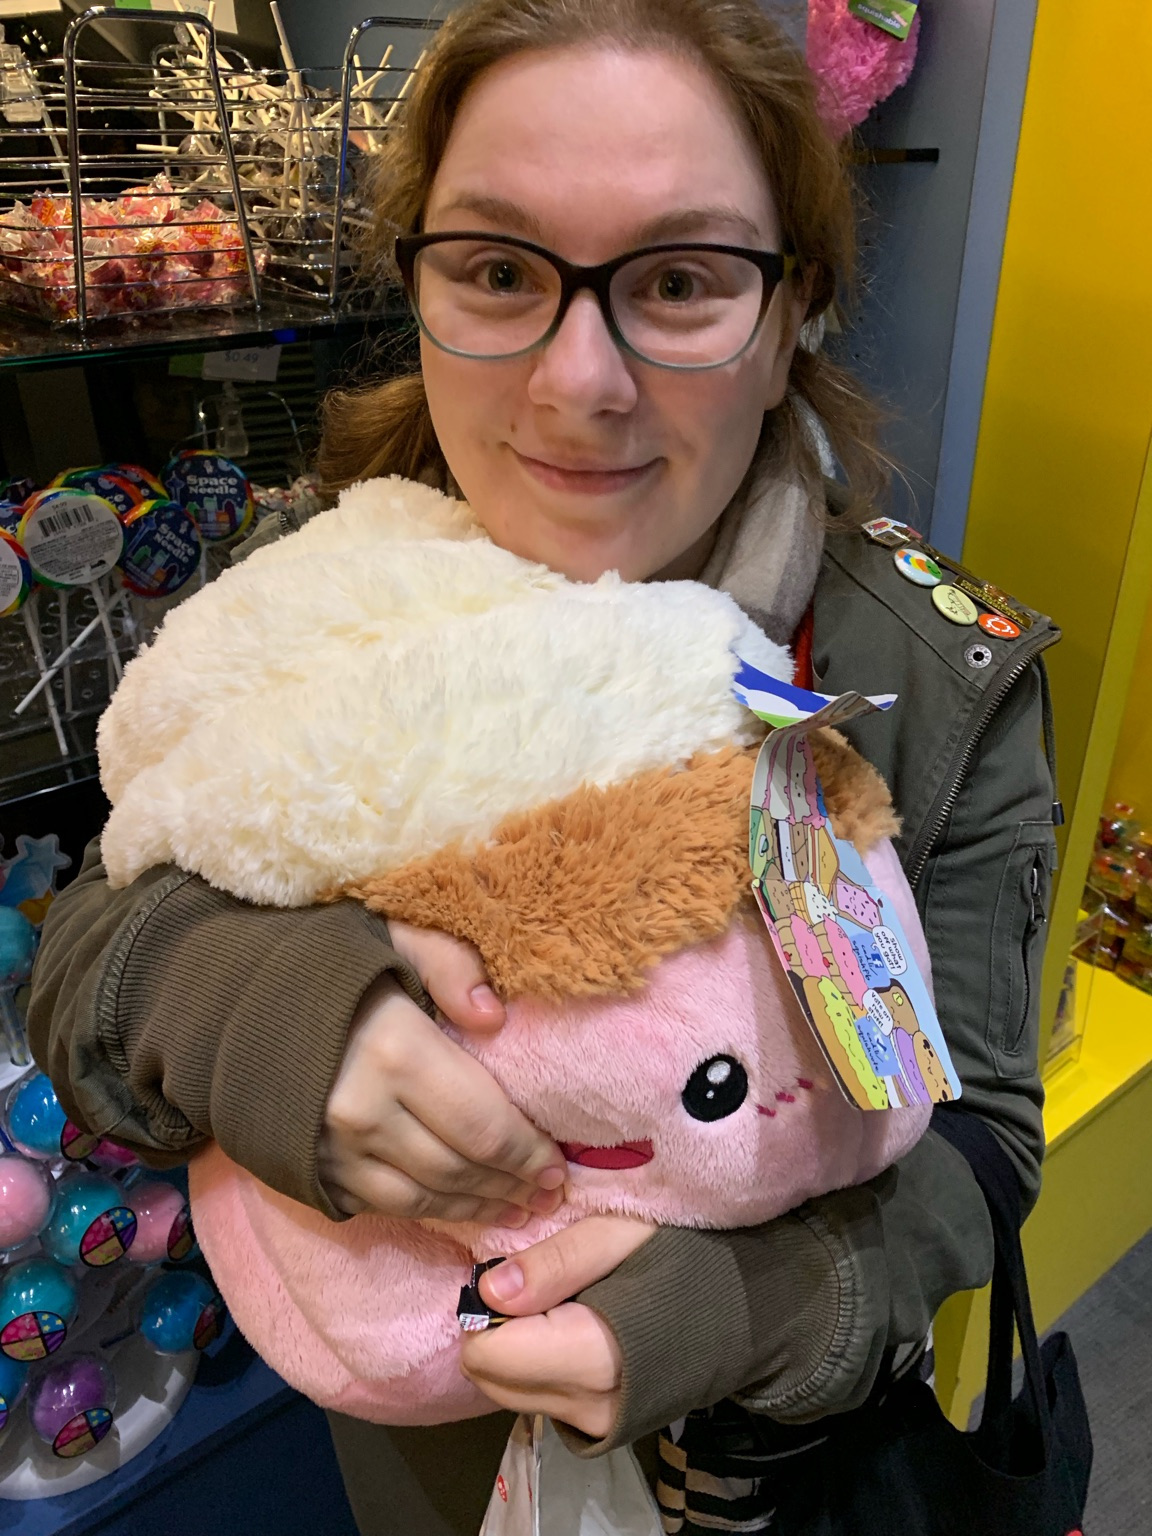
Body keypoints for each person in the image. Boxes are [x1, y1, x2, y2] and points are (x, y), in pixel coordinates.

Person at [27, 1, 1061, 1532]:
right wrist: (254, 999)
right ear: (417, 286)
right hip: (423, 1459)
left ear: (794, 313)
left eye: (682, 282)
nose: (582, 382)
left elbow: (982, 1138)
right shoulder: (326, 584)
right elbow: (92, 952)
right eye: (502, 272)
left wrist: (759, 1302)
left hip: (775, 1478)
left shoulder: (928, 676)